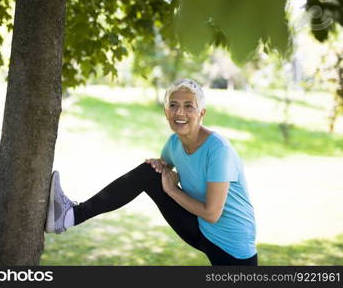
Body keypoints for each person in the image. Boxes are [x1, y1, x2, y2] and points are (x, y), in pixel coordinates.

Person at [45, 78, 257, 266]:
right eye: (173, 105)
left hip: (234, 248)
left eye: (188, 106)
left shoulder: (219, 150)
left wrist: (173, 191)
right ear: (166, 112)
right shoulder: (174, 144)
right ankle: (70, 216)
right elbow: (159, 169)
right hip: (199, 230)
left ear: (201, 113)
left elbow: (212, 213)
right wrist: (157, 165)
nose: (180, 112)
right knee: (148, 172)